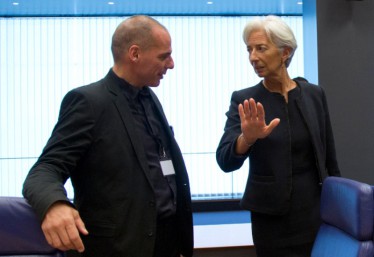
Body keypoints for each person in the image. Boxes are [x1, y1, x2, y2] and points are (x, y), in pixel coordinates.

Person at [23, 15, 193, 257]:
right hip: (119, 246)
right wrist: (55, 205)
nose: (172, 64)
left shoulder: (149, 97)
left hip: (166, 241)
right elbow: (45, 169)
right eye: (163, 56)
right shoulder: (88, 102)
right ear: (134, 54)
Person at [216, 15, 340, 257]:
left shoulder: (314, 95)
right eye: (249, 49)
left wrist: (337, 209)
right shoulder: (244, 100)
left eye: (261, 48)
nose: (253, 57)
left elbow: (330, 160)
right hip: (269, 220)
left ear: (285, 52)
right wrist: (247, 138)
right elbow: (225, 160)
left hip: (314, 214)